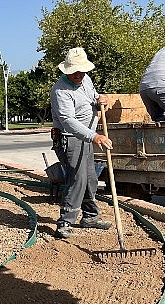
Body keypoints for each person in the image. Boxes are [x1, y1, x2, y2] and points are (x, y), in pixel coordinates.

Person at [50, 47, 114, 239]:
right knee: (77, 179)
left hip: (86, 136)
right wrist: (95, 137)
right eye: (74, 71)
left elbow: (92, 98)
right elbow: (68, 121)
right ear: (67, 70)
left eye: (81, 70)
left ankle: (90, 217)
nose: (78, 74)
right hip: (69, 139)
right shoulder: (60, 90)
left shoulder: (85, 79)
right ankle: (65, 223)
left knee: (90, 178)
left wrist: (100, 100)